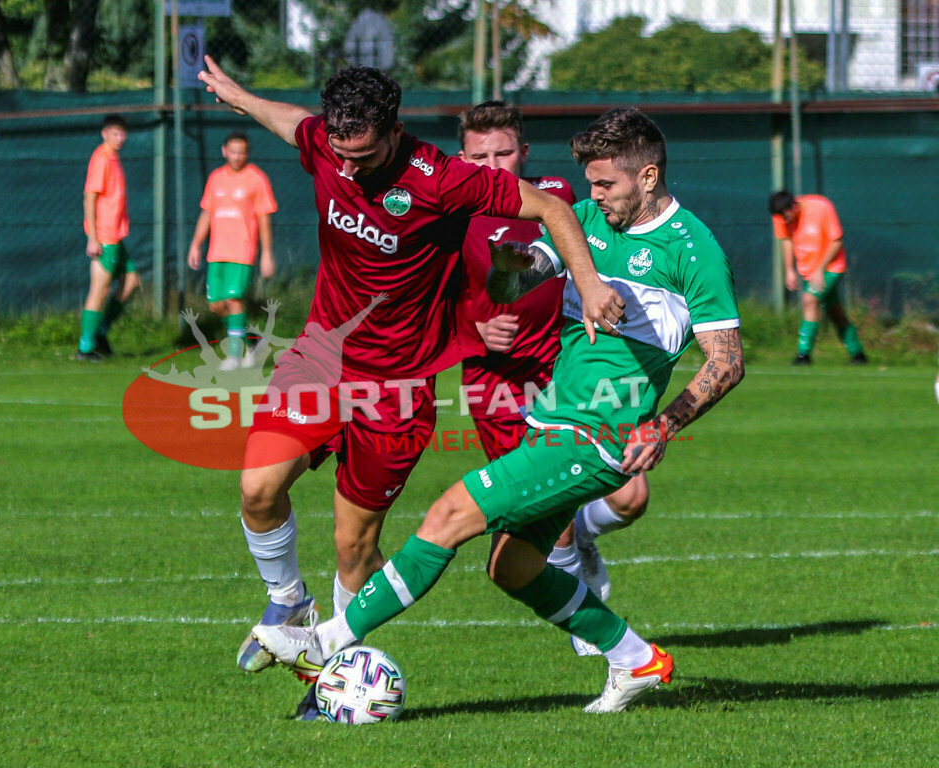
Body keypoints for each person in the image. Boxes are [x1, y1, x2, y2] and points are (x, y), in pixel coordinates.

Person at [251, 107, 745, 715]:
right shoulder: (587, 221)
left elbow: (726, 362)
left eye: (606, 184)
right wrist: (508, 262)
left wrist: (664, 423)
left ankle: (323, 640)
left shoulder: (693, 249)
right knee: (512, 567)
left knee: (449, 513)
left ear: (647, 178)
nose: (593, 195)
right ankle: (633, 658)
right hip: (552, 420)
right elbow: (517, 276)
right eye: (588, 183)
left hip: (600, 434)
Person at [196, 58, 625, 708]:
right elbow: (294, 125)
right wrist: (237, 96)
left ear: (393, 134)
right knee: (256, 487)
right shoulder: (328, 143)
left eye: (363, 156)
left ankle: (329, 675)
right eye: (340, 153)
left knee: (353, 547)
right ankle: (287, 604)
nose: (349, 168)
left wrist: (589, 284)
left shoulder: (444, 180)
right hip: (321, 359)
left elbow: (551, 207)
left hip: (396, 386)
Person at [455, 101, 648, 648]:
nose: (493, 164)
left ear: (525, 151)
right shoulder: (449, 212)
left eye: (504, 151)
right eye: (479, 155)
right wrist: (471, 330)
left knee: (633, 495)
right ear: (460, 157)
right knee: (549, 504)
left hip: (565, 364)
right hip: (496, 380)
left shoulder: (556, 197)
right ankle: (586, 621)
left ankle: (583, 536)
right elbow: (415, 294)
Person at [188, 131, 278, 372]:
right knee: (217, 305)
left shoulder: (256, 179)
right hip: (217, 253)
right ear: (224, 151)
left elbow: (264, 219)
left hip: (242, 252)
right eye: (233, 151)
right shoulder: (216, 178)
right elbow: (207, 213)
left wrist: (267, 253)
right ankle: (254, 341)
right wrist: (196, 244)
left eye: (242, 152)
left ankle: (234, 356)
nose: (238, 156)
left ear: (247, 153)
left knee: (233, 300)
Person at [769, 190, 866, 366]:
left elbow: (837, 241)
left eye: (786, 216)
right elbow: (787, 239)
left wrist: (820, 269)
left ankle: (803, 355)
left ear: (794, 206)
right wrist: (789, 270)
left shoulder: (821, 207)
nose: (784, 221)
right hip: (809, 271)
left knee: (809, 299)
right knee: (834, 311)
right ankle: (858, 354)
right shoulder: (780, 216)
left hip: (830, 267)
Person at [78, 114, 140, 361]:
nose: (120, 138)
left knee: (132, 281)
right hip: (104, 237)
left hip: (116, 235)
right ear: (105, 133)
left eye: (122, 133)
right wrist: (93, 238)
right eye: (115, 133)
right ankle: (85, 347)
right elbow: (89, 197)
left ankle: (100, 331)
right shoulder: (101, 158)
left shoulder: (114, 158)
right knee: (99, 291)